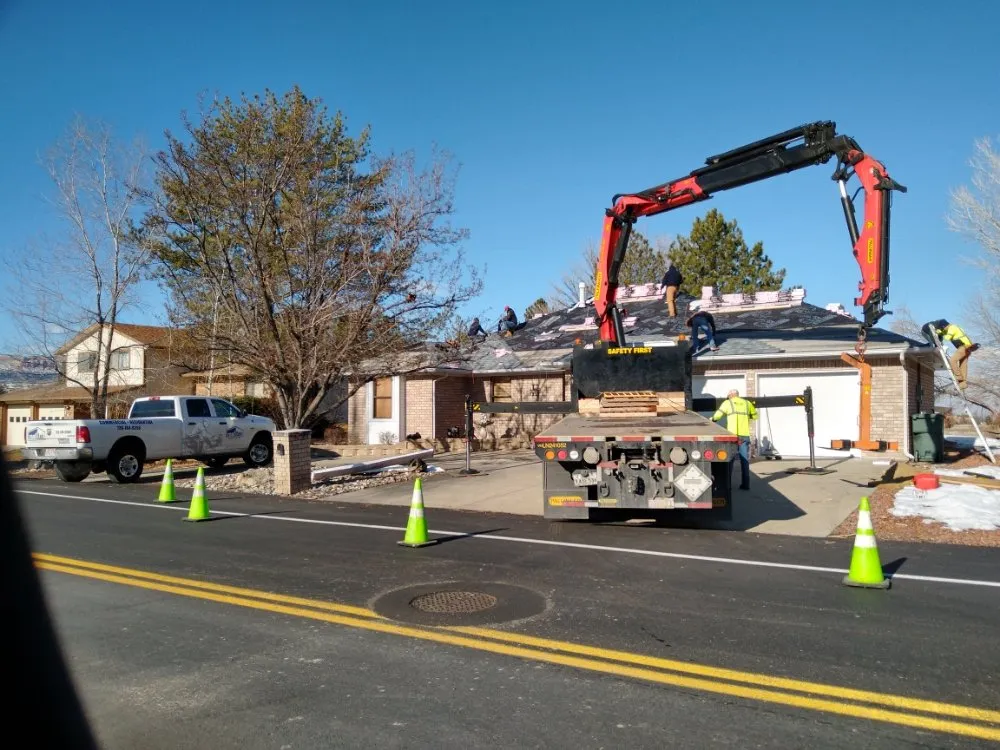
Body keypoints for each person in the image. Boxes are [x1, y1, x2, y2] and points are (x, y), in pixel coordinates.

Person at [711, 389, 757, 490]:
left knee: (730, 460)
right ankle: (746, 485)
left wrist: (711, 420)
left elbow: (717, 415)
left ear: (730, 395)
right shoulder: (747, 403)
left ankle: (728, 485)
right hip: (744, 436)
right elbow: (754, 415)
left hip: (732, 436)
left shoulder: (728, 403)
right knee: (744, 460)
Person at [923, 319, 977, 391]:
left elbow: (947, 337)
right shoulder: (955, 327)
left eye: (942, 328)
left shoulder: (952, 328)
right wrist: (941, 332)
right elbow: (946, 333)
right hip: (968, 347)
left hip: (964, 346)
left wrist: (938, 332)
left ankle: (958, 378)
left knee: (952, 361)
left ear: (944, 326)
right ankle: (963, 384)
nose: (942, 329)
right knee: (963, 365)